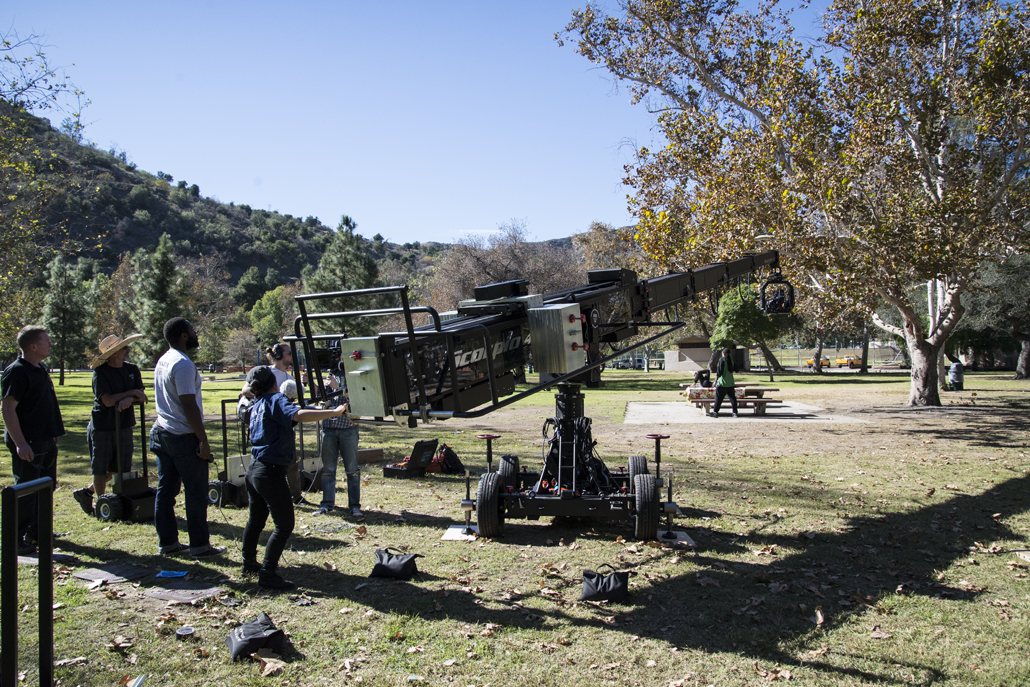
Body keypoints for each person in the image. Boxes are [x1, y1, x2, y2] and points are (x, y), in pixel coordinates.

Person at [241, 365, 349, 590]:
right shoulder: (275, 399)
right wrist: (334, 412)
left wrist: (319, 408)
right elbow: (298, 414)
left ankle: (248, 563)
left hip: (254, 471)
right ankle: (268, 573)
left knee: (256, 520)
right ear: (273, 383)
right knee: (284, 525)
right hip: (270, 472)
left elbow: (292, 415)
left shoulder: (257, 404)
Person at [150, 317, 225, 558]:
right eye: (192, 330)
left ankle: (168, 543)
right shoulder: (183, 364)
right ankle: (200, 546)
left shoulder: (163, 360)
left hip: (162, 432)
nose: (195, 333)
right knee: (195, 493)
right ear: (183, 335)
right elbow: (188, 404)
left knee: (166, 491)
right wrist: (202, 440)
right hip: (182, 436)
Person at [1, 326, 65, 554]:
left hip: (46, 439)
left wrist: (52, 430)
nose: (50, 344)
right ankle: (14, 539)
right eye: (46, 341)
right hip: (29, 442)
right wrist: (20, 443)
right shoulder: (17, 371)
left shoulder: (41, 368)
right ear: (32, 346)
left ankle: (38, 533)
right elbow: (8, 407)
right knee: (26, 492)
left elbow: (42, 402)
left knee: (46, 488)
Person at [73, 334, 147, 516]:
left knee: (119, 468)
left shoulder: (132, 369)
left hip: (124, 424)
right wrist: (131, 392)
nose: (128, 350)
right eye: (124, 348)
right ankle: (101, 503)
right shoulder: (100, 373)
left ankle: (87, 493)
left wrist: (130, 398)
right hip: (103, 426)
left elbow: (141, 394)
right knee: (100, 468)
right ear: (114, 353)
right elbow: (107, 400)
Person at [240, 343, 310, 506]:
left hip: (284, 426)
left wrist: (304, 384)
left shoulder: (289, 377)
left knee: (291, 459)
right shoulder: (266, 373)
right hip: (267, 427)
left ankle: (295, 495)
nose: (291, 357)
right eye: (288, 354)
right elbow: (245, 390)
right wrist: (270, 398)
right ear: (279, 355)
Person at [315, 372, 361, 518]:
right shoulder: (329, 378)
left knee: (352, 470)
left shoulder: (353, 375)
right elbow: (321, 401)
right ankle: (327, 505)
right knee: (328, 470)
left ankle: (354, 506)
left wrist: (339, 387)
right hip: (328, 428)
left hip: (348, 428)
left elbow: (358, 399)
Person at [708, 347, 738, 418]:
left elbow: (719, 372)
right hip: (730, 383)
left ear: (723, 353)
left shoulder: (722, 360)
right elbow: (736, 369)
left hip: (722, 383)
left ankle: (715, 412)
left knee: (718, 398)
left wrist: (715, 381)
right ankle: (735, 412)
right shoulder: (731, 361)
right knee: (732, 398)